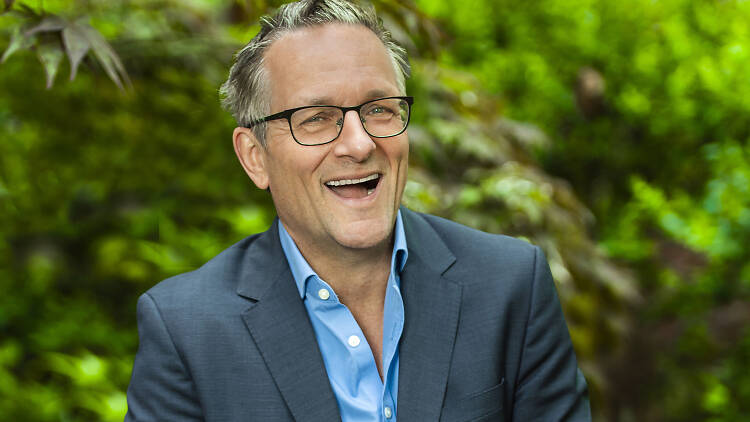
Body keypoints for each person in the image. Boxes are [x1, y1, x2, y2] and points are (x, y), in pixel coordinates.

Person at [124, 0, 591, 420]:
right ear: (254, 156)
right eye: (316, 119)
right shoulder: (186, 330)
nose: (359, 143)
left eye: (380, 109)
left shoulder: (511, 285)